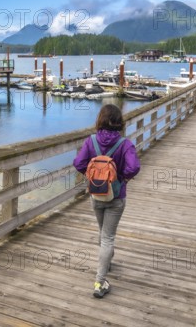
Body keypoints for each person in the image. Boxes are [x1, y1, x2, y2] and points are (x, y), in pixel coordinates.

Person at [73, 104, 141, 298]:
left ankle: (106, 262)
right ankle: (100, 282)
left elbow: (78, 163)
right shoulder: (124, 144)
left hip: (96, 195)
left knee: (103, 234)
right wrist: (122, 178)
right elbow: (134, 167)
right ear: (120, 122)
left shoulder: (91, 141)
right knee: (108, 237)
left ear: (100, 120)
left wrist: (92, 176)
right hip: (116, 196)